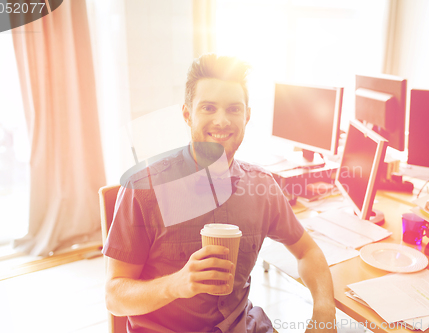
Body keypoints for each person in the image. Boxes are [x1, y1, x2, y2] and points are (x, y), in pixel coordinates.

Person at [103, 54, 336, 333]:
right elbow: (114, 296)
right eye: (209, 108)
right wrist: (175, 285)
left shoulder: (262, 187)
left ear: (247, 116)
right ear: (188, 114)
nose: (222, 121)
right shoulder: (144, 189)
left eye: (234, 109)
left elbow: (308, 251)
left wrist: (324, 311)